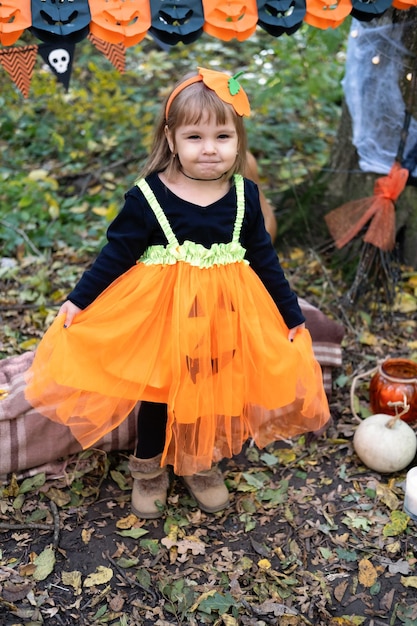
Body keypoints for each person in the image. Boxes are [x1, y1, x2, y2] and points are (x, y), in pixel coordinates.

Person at [25, 67, 330, 519]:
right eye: (195, 137)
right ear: (171, 140)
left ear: (238, 140)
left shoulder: (244, 196)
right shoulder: (149, 197)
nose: (210, 148)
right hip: (162, 317)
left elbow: (266, 263)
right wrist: (79, 299)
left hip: (220, 317)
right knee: (160, 392)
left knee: (209, 388)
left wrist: (291, 315)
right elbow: (116, 255)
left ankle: (197, 461)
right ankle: (148, 468)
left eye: (223, 136)